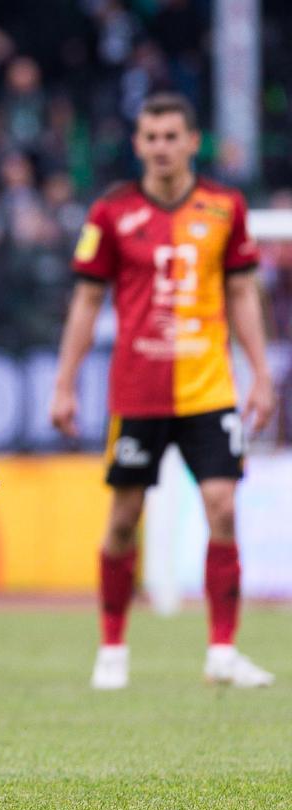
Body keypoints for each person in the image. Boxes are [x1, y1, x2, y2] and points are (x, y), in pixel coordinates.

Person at [50, 92, 275, 690]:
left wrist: (261, 373)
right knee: (124, 518)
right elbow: (87, 301)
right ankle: (112, 649)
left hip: (209, 387)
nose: (161, 147)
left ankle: (222, 651)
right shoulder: (111, 211)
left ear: (193, 142)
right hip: (138, 392)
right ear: (138, 143)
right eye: (151, 137)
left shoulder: (226, 207)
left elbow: (243, 293)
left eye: (172, 136)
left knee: (222, 506)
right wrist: (65, 383)